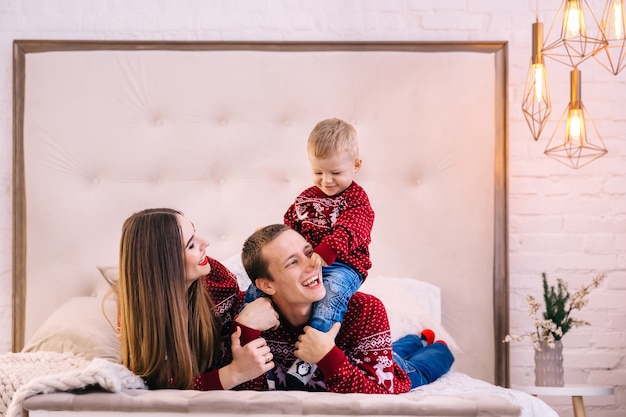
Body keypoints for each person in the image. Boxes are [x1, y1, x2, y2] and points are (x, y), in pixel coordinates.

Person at [239, 224, 454, 393]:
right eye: (292, 262)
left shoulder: (365, 309)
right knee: (394, 351)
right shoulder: (253, 317)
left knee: (420, 366)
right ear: (266, 285)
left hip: (385, 366)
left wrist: (327, 356)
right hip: (368, 358)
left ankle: (433, 343)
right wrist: (246, 330)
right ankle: (417, 339)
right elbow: (245, 386)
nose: (313, 264)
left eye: (309, 252)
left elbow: (382, 388)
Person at [117, 208, 280, 390]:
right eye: (191, 245)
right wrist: (235, 373)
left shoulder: (215, 276)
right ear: (165, 266)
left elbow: (241, 314)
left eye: (195, 233)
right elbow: (162, 384)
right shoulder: (141, 320)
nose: (206, 243)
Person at [245, 118, 375, 333]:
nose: (326, 181)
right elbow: (290, 230)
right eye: (318, 172)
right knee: (260, 288)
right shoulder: (306, 198)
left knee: (329, 298)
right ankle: (246, 334)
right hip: (307, 263)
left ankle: (313, 350)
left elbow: (351, 230)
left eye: (336, 173)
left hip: (343, 265)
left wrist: (328, 250)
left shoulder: (357, 201)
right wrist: (270, 237)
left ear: (356, 166)